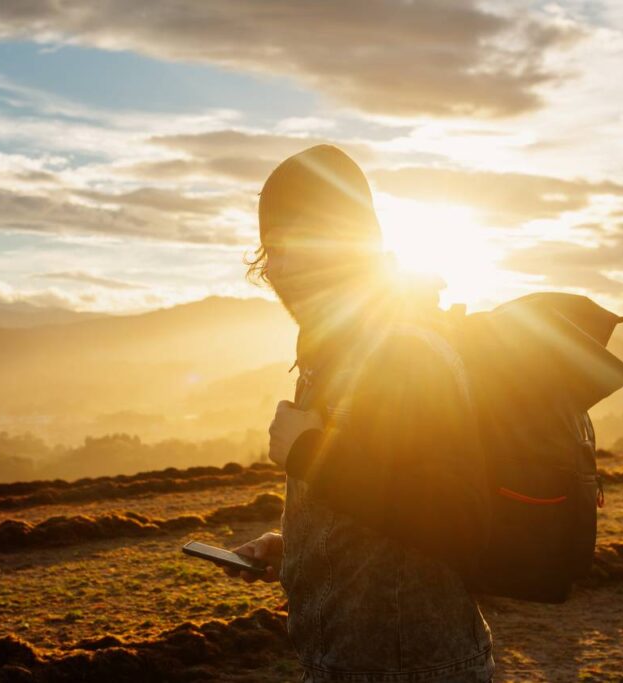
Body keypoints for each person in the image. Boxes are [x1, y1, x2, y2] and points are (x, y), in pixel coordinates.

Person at [224, 144, 494, 682]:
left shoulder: (405, 351)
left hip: (412, 668)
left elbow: (457, 518)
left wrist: (305, 454)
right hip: (351, 662)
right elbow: (383, 502)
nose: (276, 269)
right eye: (268, 250)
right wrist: (296, 546)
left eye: (293, 245)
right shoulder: (338, 352)